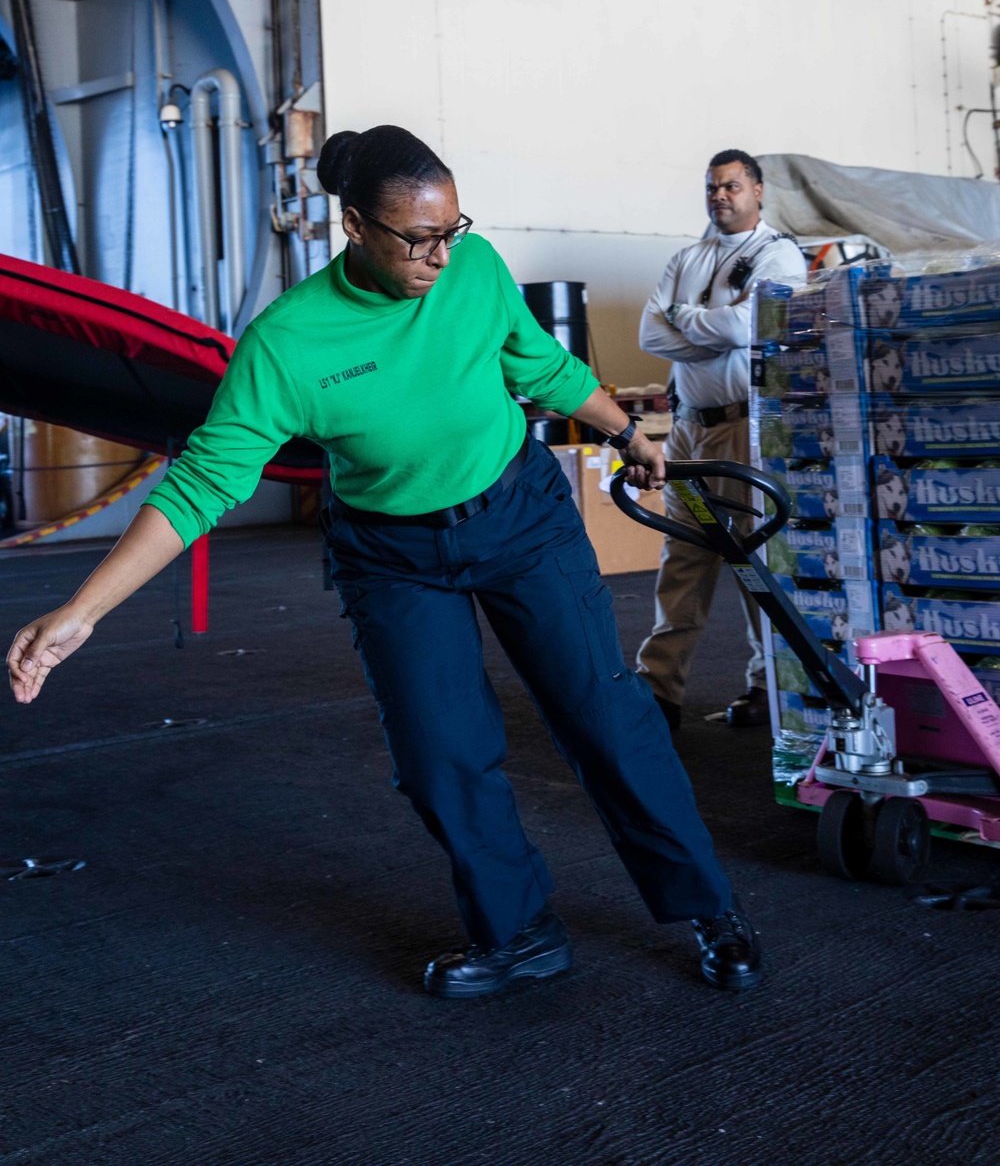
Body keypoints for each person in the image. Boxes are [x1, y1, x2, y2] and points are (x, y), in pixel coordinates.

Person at [7, 125, 762, 998]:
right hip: (392, 554)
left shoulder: (472, 271)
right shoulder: (288, 343)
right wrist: (82, 611)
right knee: (441, 753)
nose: (442, 255)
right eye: (419, 238)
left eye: (453, 230)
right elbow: (202, 485)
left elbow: (540, 365)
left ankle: (708, 905)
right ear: (354, 227)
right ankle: (519, 932)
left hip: (519, 519)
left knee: (606, 716)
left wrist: (629, 432)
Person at [636, 149, 806, 729]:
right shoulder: (688, 256)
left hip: (744, 430)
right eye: (712, 187)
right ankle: (659, 689)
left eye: (732, 186)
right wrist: (710, 331)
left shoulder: (778, 254)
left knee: (752, 556)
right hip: (688, 429)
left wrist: (685, 319)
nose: (720, 196)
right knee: (681, 555)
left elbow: (749, 325)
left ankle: (770, 687)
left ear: (758, 191)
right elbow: (648, 333)